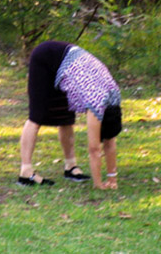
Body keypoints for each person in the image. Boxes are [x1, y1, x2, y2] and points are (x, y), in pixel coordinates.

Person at [18, 40, 122, 189]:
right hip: (45, 56)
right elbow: (94, 149)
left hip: (67, 64)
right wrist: (99, 184)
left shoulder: (115, 98)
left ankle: (70, 166)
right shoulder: (97, 103)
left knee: (65, 119)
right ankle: (25, 172)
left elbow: (110, 142)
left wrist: (113, 180)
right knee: (37, 116)